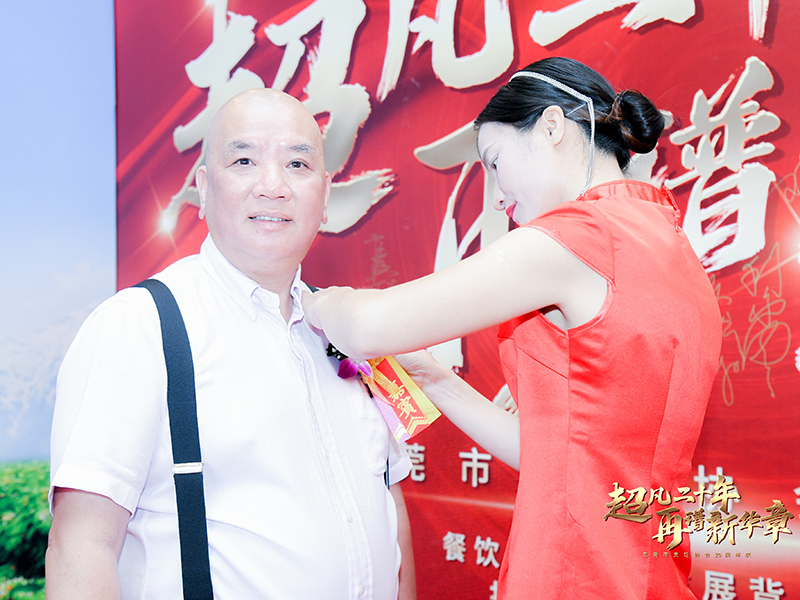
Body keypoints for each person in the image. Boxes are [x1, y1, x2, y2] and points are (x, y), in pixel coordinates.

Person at [302, 57, 722, 599]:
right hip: (644, 569)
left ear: (552, 126)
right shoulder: (668, 242)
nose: (497, 195)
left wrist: (315, 300)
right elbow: (558, 455)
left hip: (574, 572)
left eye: (495, 162)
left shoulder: (576, 238)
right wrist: (433, 379)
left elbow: (365, 326)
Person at [46, 89, 416, 600]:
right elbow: (81, 545)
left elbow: (390, 505)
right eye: (244, 161)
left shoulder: (352, 331)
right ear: (203, 188)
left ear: (326, 195)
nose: (273, 186)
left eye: (298, 164)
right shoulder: (138, 326)